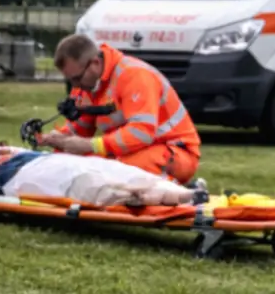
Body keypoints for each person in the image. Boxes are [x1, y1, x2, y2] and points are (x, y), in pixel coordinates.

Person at [38, 34, 202, 183]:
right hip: (126, 151)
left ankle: (180, 193)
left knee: (120, 171)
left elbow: (141, 133)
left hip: (173, 152)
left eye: (77, 78)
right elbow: (80, 130)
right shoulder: (86, 84)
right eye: (70, 81)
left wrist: (91, 146)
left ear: (95, 63)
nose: (75, 86)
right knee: (66, 162)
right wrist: (58, 139)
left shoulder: (134, 76)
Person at [0, 142, 207, 207]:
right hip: (20, 174)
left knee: (112, 171)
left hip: (41, 161)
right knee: (89, 183)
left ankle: (183, 193)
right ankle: (177, 196)